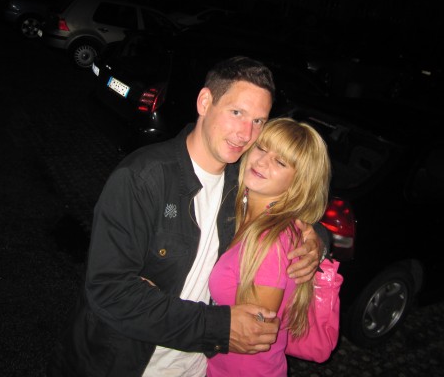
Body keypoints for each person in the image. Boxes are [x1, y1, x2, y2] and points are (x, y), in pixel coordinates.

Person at [47, 56, 329, 377]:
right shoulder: (143, 178)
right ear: (205, 102)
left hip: (195, 368)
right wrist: (219, 327)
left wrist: (318, 241)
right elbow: (108, 291)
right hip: (126, 364)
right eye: (236, 113)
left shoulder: (241, 183)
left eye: (258, 121)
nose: (245, 133)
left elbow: (287, 205)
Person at [206, 117, 331, 376]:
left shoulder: (270, 241)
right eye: (261, 148)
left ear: (299, 182)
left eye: (280, 162)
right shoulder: (247, 214)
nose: (262, 161)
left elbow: (251, 335)